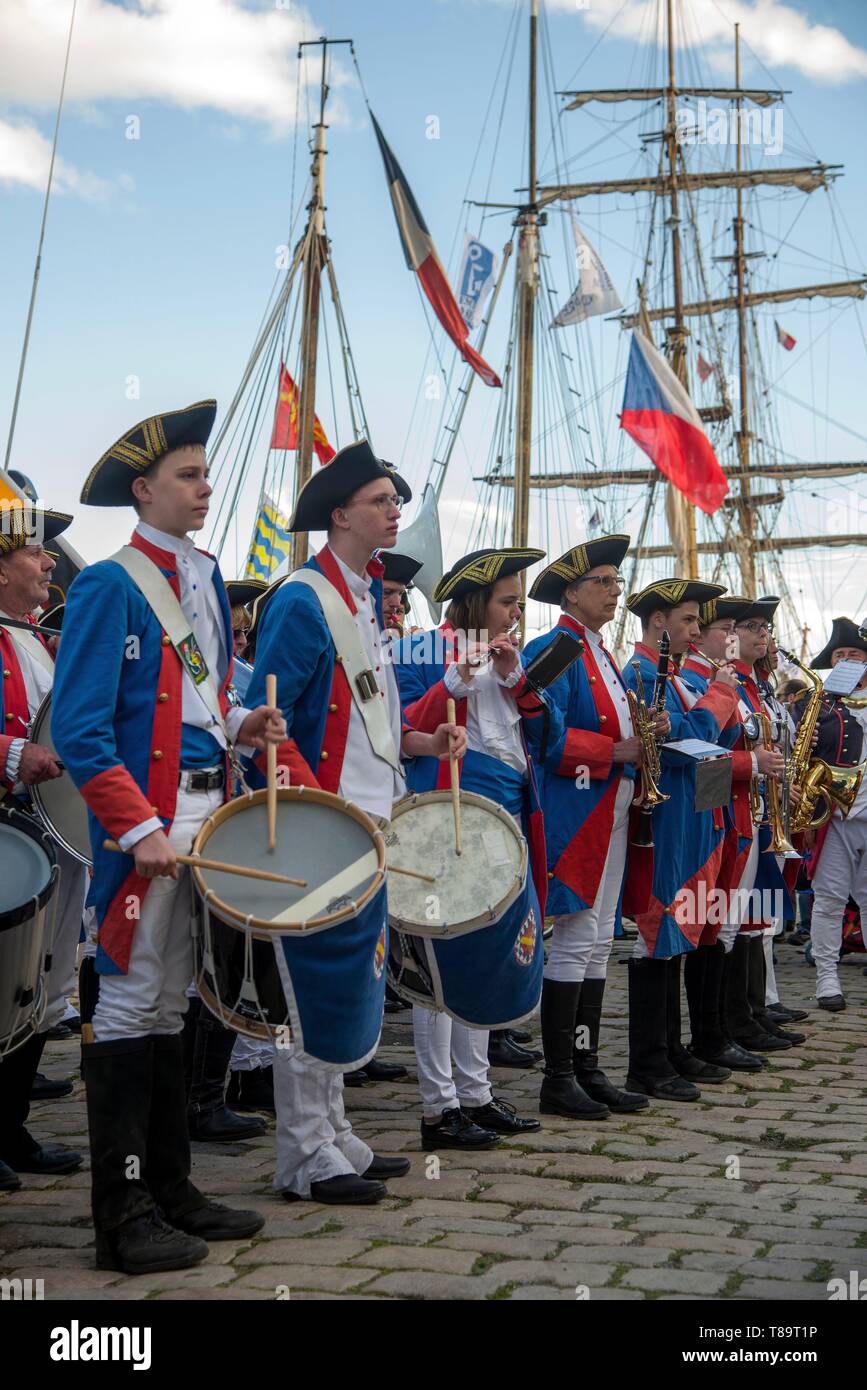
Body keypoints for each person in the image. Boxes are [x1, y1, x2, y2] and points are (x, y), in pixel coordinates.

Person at [52, 400, 285, 1274]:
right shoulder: (111, 583)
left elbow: (206, 695)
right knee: (126, 999)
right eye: (187, 476)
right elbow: (80, 728)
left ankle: (171, 1187)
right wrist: (137, 826)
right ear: (143, 489)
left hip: (203, 806)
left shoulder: (207, 574)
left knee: (172, 998)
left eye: (204, 473)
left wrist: (243, 719)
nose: (205, 487)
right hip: (147, 822)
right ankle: (122, 1214)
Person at [244, 439, 465, 1204]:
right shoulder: (303, 598)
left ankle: (334, 1132)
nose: (393, 509)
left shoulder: (363, 596)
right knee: (310, 985)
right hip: (323, 822)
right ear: (339, 515)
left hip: (369, 815)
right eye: (379, 500)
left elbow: (370, 720)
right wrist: (321, 811)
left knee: (350, 981)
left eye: (393, 500)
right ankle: (304, 1156)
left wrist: (422, 740)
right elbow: (275, 722)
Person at [392, 545, 549, 1144]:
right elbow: (402, 725)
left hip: (508, 808)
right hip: (449, 812)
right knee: (443, 957)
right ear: (477, 601)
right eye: (507, 601)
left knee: (488, 953)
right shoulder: (414, 651)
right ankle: (439, 1106)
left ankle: (477, 1092)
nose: (515, 613)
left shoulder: (515, 658)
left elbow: (546, 738)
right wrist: (457, 678)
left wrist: (517, 681)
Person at [521, 536, 653, 1118]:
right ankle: (559, 1076)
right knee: (576, 938)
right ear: (570, 592)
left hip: (614, 806)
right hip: (579, 808)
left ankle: (587, 1065)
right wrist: (615, 750)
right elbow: (542, 739)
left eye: (617, 583)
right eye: (603, 582)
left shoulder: (599, 650)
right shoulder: (556, 649)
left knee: (599, 939)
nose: (614, 592)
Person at [621, 579, 741, 1101]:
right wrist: (720, 697)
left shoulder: (671, 675)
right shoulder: (644, 672)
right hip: (667, 819)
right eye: (688, 620)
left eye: (697, 621)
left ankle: (670, 1048)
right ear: (658, 623)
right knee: (659, 933)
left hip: (696, 814)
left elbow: (704, 740)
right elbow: (678, 740)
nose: (696, 630)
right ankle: (648, 1059)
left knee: (680, 935)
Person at [0, 503, 89, 1191]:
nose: (49, 561)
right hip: (9, 833)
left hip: (53, 836)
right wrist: (10, 755)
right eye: (34, 553)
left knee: (41, 985)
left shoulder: (37, 637)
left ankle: (10, 1125)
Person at [796, 616, 867, 1010]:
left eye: (853, 654)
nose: (846, 661)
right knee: (828, 900)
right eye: (839, 655)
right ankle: (826, 978)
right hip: (833, 817)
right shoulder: (815, 703)